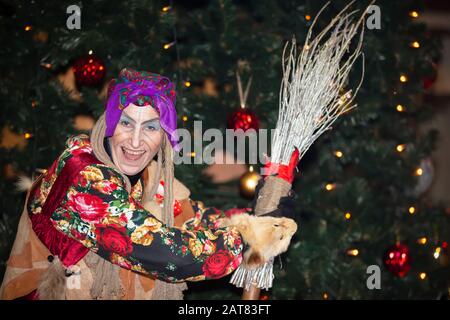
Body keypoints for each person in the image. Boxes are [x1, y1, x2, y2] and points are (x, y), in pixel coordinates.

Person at [0, 68, 296, 300]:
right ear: (108, 125)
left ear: (165, 137)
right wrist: (247, 238)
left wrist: (258, 216)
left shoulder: (151, 176)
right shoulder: (83, 174)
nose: (136, 141)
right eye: (126, 123)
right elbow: (163, 251)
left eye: (151, 127)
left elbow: (196, 219)